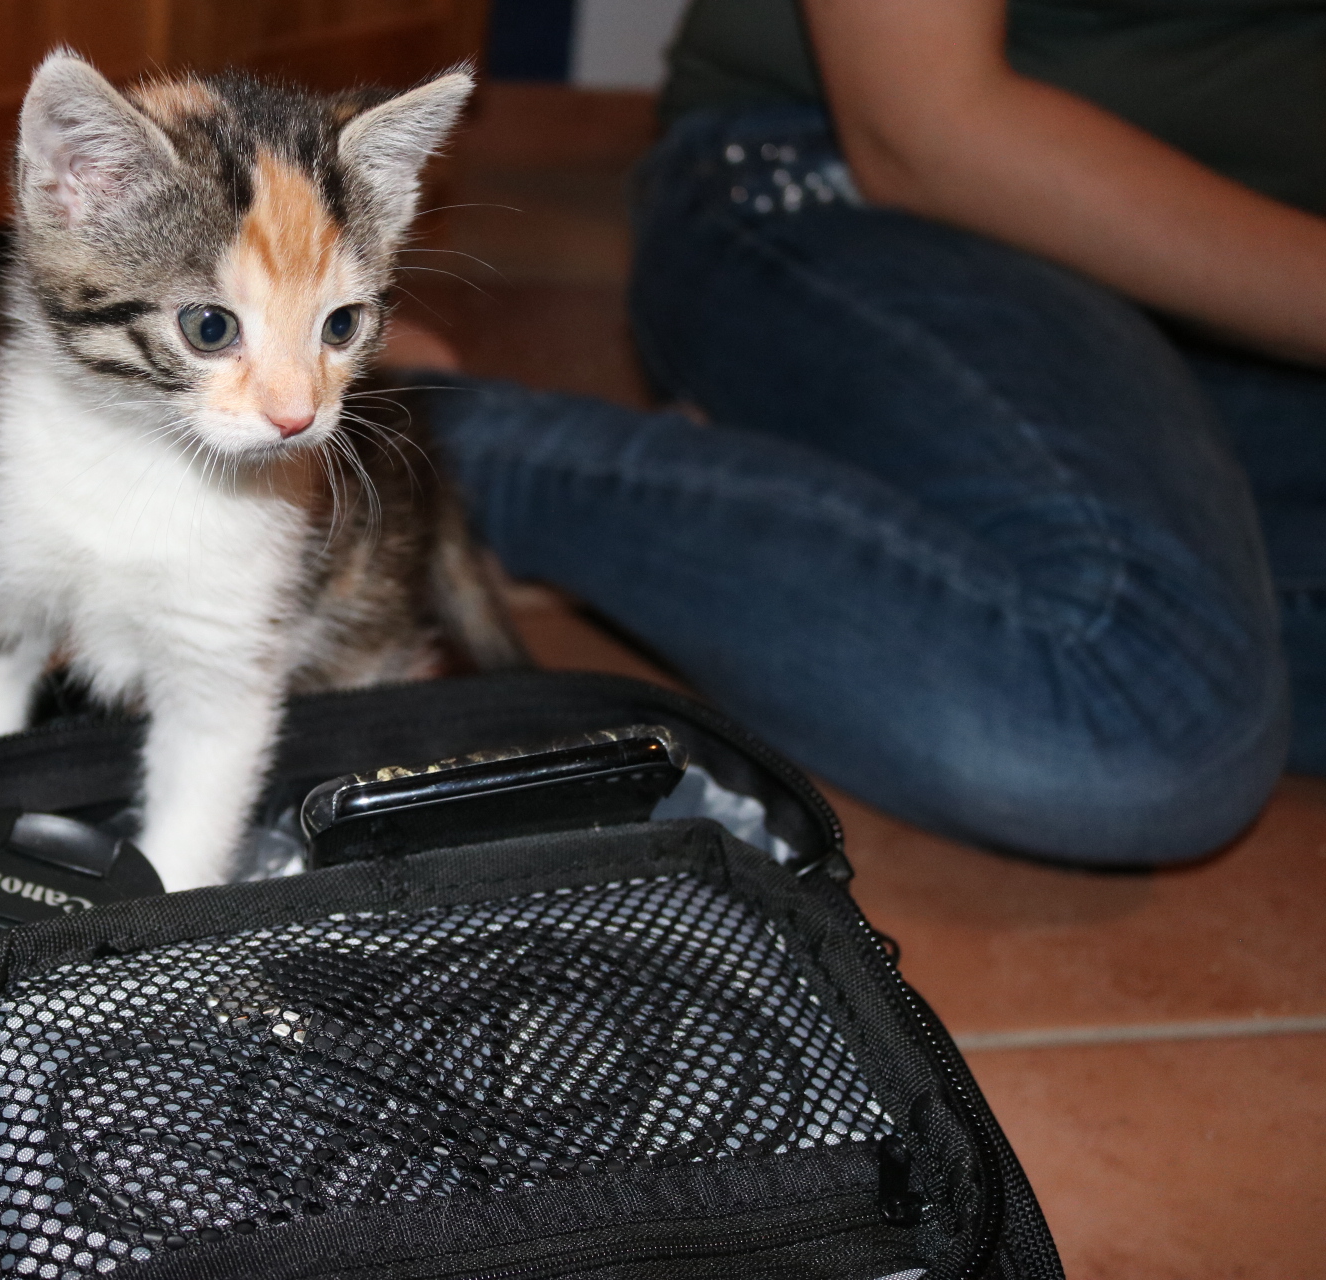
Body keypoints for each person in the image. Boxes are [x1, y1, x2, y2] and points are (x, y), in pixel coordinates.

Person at [413, 0, 1325, 865]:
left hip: (1235, 286)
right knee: (1134, 719)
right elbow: (921, 132)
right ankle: (448, 436)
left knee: (1163, 676)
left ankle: (855, 497)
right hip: (841, 188)